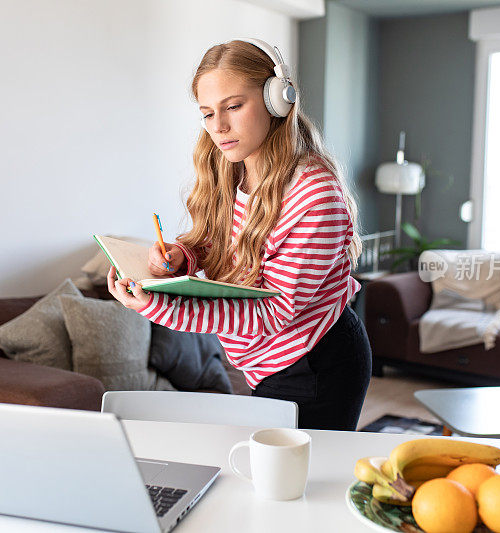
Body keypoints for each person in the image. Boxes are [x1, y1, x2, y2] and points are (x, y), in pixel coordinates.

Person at [107, 38, 372, 431]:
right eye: (208, 113)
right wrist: (184, 254)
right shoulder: (233, 167)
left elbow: (276, 311)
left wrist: (159, 308)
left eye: (233, 106)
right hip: (266, 363)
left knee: (302, 485)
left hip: (315, 363)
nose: (219, 127)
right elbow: (219, 240)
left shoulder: (314, 194)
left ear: (276, 99)